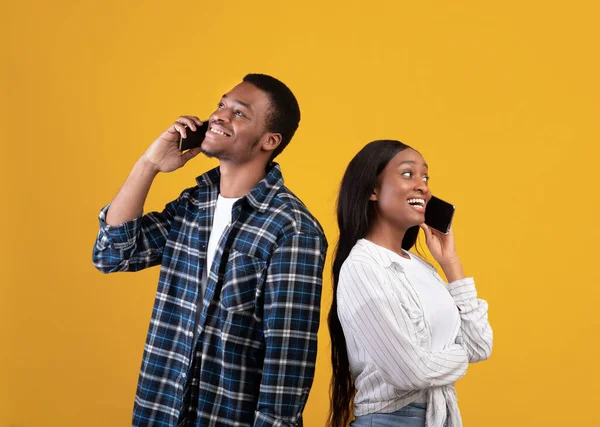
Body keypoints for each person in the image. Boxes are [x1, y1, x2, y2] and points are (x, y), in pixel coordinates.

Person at [92, 74, 327, 427]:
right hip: (161, 412)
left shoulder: (293, 228)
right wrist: (149, 165)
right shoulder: (194, 204)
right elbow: (113, 254)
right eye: (221, 105)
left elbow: (287, 363)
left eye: (239, 113)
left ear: (270, 140)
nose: (219, 116)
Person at [327, 140, 493, 427]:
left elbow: (480, 344)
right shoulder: (363, 267)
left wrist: (450, 262)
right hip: (390, 420)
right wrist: (460, 357)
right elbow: (410, 372)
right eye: (408, 174)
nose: (423, 187)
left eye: (425, 177)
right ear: (373, 190)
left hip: (436, 417)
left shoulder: (424, 268)